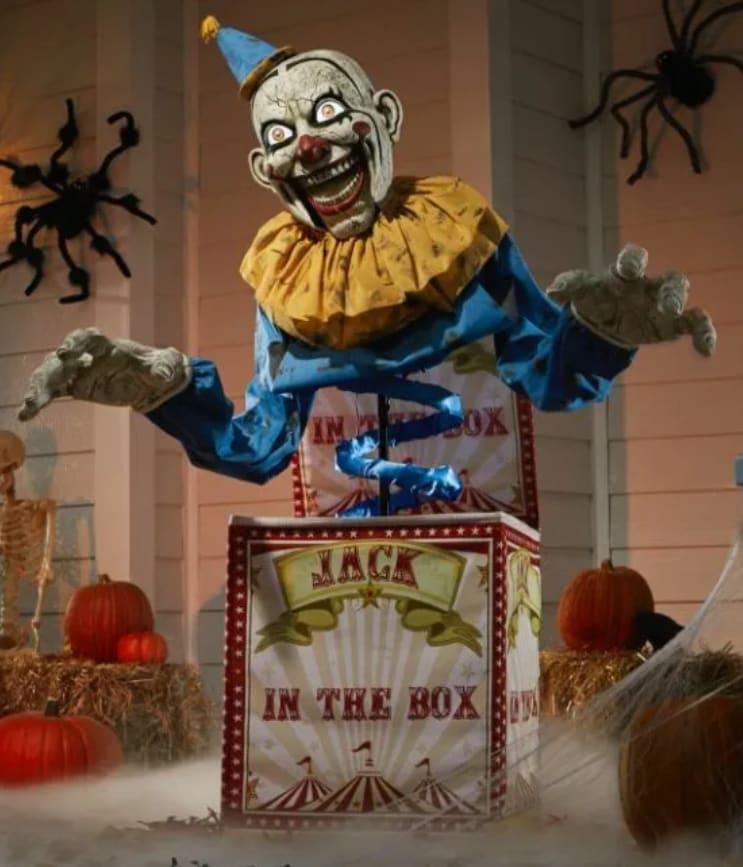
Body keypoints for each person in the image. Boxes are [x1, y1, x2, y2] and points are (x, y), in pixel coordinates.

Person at [17, 17, 716, 515]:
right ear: (265, 169)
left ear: (383, 115)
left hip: (465, 539)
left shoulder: (455, 232)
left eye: (326, 112)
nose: (310, 147)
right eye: (283, 135)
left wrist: (599, 334)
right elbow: (258, 446)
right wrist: (157, 387)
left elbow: (545, 373)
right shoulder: (289, 280)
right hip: (352, 567)